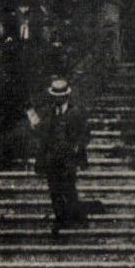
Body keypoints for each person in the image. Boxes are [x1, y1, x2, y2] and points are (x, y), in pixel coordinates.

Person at [27, 77, 89, 237]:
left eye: (60, 96)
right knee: (54, 190)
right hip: (51, 157)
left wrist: (78, 148)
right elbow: (42, 132)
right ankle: (60, 219)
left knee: (68, 188)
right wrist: (34, 122)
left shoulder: (76, 112)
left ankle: (76, 219)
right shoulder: (49, 112)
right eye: (55, 96)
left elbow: (85, 134)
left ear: (66, 96)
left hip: (68, 158)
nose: (57, 99)